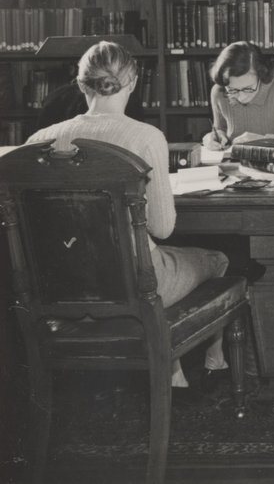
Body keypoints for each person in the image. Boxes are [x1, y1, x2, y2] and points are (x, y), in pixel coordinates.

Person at [25, 41, 229, 389]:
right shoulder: (146, 137)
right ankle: (212, 364)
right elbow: (162, 228)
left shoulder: (39, 139)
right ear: (133, 82)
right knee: (218, 260)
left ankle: (175, 373)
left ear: (81, 84)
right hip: (136, 283)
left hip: (67, 285)